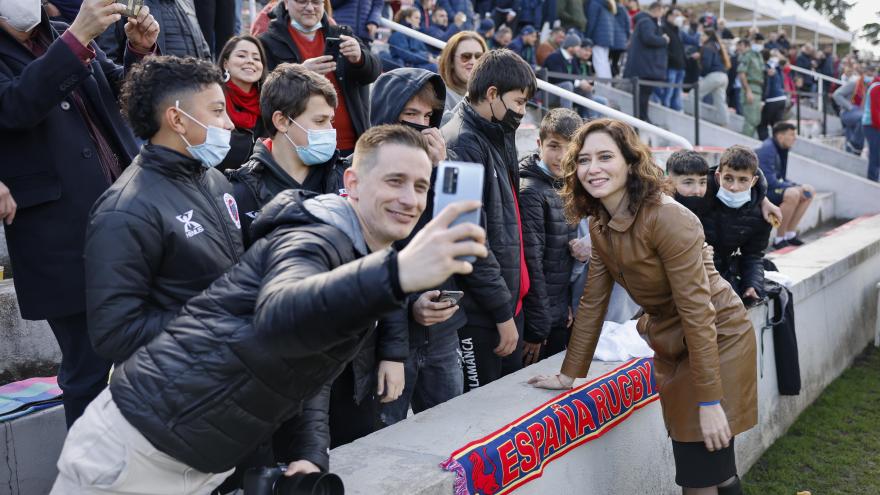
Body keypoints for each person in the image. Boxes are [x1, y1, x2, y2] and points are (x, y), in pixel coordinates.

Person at [50, 125, 489, 495]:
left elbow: (311, 370)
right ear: (352, 183)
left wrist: (310, 454)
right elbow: (280, 312)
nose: (410, 199)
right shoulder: (316, 235)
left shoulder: (359, 254)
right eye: (394, 181)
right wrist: (397, 274)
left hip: (195, 458)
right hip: (136, 450)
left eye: (420, 186)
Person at [530, 118, 757, 495]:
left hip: (717, 339)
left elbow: (699, 314)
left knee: (698, 473)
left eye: (605, 156)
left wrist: (711, 398)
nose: (593, 168)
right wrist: (570, 373)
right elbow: (593, 301)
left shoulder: (669, 217)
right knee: (712, 466)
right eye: (584, 160)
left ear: (630, 162)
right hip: (673, 341)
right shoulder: (600, 222)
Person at [0, 0, 157, 427]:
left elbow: (129, 99)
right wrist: (77, 38)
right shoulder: (69, 36)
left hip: (128, 217)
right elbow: (14, 106)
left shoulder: (59, 31)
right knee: (89, 374)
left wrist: (140, 53)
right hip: (60, 237)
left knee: (149, 361)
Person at [85, 55, 244, 368]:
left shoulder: (216, 179)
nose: (229, 123)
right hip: (176, 393)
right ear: (177, 119)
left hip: (228, 376)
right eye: (217, 111)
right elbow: (114, 334)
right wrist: (217, 318)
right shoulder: (125, 211)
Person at [372, 69, 469, 426]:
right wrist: (411, 306)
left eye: (428, 117)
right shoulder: (363, 171)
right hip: (387, 338)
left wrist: (445, 169)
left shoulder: (440, 167)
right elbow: (380, 258)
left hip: (443, 329)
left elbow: (467, 232)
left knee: (451, 435)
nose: (422, 125)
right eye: (410, 115)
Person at [442, 49, 537, 389]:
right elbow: (467, 237)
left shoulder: (496, 132)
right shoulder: (461, 142)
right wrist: (500, 312)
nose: (521, 112)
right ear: (493, 94)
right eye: (519, 102)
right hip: (483, 315)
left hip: (509, 304)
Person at [228, 63, 345, 245]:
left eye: (330, 120)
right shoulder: (241, 192)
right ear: (282, 121)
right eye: (320, 120)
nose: (330, 130)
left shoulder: (345, 176)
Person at [259, 0, 381, 155]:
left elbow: (373, 73)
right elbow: (263, 93)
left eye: (316, 2)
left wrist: (360, 57)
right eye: (302, 1)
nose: (310, 8)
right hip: (301, 150)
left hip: (351, 147)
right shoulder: (267, 42)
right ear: (285, 4)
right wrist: (298, 74)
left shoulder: (342, 34)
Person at [519, 109, 581, 363]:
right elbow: (533, 264)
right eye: (554, 146)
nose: (562, 156)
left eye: (570, 148)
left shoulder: (565, 185)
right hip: (537, 323)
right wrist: (537, 329)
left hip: (556, 313)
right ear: (539, 144)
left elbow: (560, 261)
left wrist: (563, 305)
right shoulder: (531, 192)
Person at [703, 146, 772, 304]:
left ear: (753, 181)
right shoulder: (699, 194)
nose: (734, 187)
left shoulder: (761, 214)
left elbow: (753, 255)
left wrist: (752, 285)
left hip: (724, 271)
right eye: (728, 178)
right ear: (718, 176)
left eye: (743, 180)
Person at [756, 122, 814, 248]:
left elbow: (780, 177)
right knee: (792, 194)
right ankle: (779, 238)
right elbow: (768, 180)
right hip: (763, 192)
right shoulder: (768, 149)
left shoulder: (782, 148)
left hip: (772, 188)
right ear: (780, 136)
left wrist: (798, 185)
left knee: (808, 191)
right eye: (792, 134)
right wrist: (793, 187)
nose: (795, 138)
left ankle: (790, 234)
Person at [217, 35, 270, 171]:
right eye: (241, 56)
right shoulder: (213, 99)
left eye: (256, 58)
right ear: (225, 64)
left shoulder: (269, 103)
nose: (250, 61)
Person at [97, 0, 212, 63]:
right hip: (153, 96)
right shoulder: (127, 3)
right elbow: (107, 60)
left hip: (195, 94)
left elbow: (205, 53)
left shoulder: (187, 3)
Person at [623, 1, 669, 124]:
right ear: (658, 9)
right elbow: (649, 39)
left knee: (645, 94)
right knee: (643, 94)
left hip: (645, 67)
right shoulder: (646, 21)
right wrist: (664, 39)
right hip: (644, 67)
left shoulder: (645, 21)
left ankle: (643, 117)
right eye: (662, 10)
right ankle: (641, 118)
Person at [437, 30, 487, 120]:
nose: (473, 62)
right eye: (466, 56)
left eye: (479, 57)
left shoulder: (489, 93)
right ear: (451, 61)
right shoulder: (439, 95)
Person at [834, 66, 875, 156]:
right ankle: (856, 145)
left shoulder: (871, 88)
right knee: (862, 118)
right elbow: (837, 94)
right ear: (863, 74)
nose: (870, 77)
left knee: (852, 132)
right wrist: (849, 107)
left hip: (859, 115)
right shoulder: (854, 84)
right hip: (848, 113)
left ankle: (851, 147)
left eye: (872, 75)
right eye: (868, 74)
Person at [698, 29, 731, 127]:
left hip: (714, 75)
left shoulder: (707, 47)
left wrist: (702, 74)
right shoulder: (717, 46)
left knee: (694, 94)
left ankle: (695, 117)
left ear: (708, 36)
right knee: (720, 101)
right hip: (724, 76)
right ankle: (724, 122)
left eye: (703, 35)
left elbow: (707, 64)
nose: (701, 37)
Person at [738, 33, 764, 137]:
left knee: (756, 121)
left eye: (761, 42)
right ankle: (744, 148)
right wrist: (748, 91)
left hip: (758, 90)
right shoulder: (748, 55)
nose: (759, 44)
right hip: (751, 89)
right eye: (757, 42)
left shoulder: (759, 56)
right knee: (750, 121)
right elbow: (742, 74)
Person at [661, 8, 686, 111]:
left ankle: (675, 110)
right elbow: (665, 48)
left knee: (676, 93)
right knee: (668, 92)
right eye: (676, 15)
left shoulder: (678, 30)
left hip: (680, 66)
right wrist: (672, 58)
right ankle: (666, 110)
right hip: (671, 66)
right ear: (669, 16)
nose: (678, 18)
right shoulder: (664, 28)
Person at [758, 53, 787, 141]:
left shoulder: (767, 68)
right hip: (782, 98)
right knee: (777, 127)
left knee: (762, 125)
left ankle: (765, 145)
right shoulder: (778, 68)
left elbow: (767, 86)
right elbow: (782, 84)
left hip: (771, 99)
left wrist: (763, 100)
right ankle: (778, 145)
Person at [584, 0, 617, 79]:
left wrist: (587, 37)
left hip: (598, 37)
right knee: (604, 62)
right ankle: (608, 85)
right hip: (607, 37)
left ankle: (604, 86)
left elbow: (591, 21)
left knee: (598, 62)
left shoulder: (595, 3)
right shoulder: (608, 4)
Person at [863, 69, 880, 182]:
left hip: (875, 125)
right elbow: (875, 114)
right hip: (872, 126)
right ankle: (871, 182)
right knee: (875, 155)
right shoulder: (876, 87)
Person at [610, 0, 630, 77]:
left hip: (610, 40)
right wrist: (626, 37)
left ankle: (611, 78)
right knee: (616, 62)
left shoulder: (609, 7)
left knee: (608, 61)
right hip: (620, 41)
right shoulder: (623, 9)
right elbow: (627, 25)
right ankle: (615, 78)